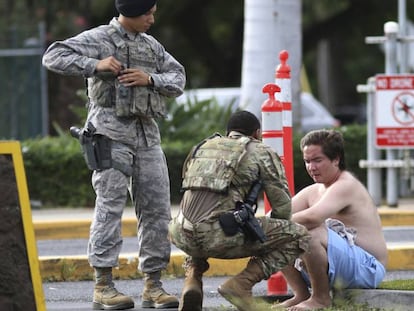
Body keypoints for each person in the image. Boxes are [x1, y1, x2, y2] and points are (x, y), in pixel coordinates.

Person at [42, 0, 186, 310]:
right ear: (130, 13)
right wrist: (96, 65)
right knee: (109, 208)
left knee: (157, 210)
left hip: (147, 137)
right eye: (147, 13)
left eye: (153, 12)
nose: (151, 18)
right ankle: (103, 285)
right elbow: (53, 56)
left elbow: (178, 78)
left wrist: (151, 80)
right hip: (109, 134)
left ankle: (153, 285)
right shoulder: (99, 38)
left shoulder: (152, 45)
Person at [168, 110, 310, 311]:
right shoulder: (261, 151)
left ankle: (192, 277)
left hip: (179, 233)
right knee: (298, 235)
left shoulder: (202, 147)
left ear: (228, 133)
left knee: (203, 218)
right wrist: (271, 237)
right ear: (257, 133)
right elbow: (282, 207)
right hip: (218, 235)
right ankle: (241, 284)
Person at [278, 129, 388, 310]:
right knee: (275, 233)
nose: (311, 167)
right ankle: (301, 294)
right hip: (339, 267)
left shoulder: (346, 185)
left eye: (317, 160)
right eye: (307, 161)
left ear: (336, 159)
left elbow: (313, 217)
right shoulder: (313, 190)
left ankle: (321, 299)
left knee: (309, 231)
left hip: (368, 269)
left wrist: (272, 224)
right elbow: (277, 214)